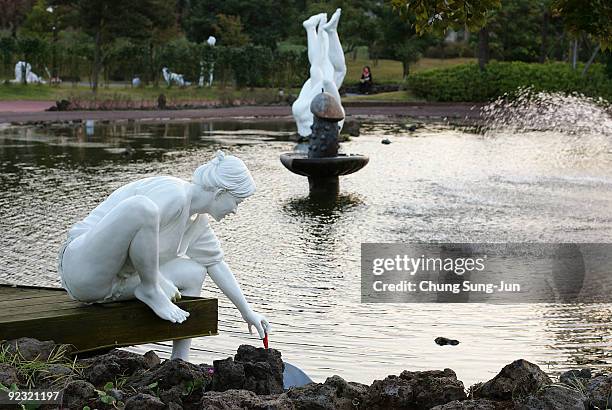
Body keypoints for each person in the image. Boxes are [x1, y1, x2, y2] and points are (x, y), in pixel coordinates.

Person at [58, 150, 270, 361]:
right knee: (141, 208)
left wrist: (247, 312)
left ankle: (179, 361)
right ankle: (150, 289)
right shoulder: (174, 192)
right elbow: (135, 229)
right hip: (82, 269)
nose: (234, 211)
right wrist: (155, 281)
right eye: (237, 202)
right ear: (220, 193)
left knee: (195, 271)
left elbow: (216, 263)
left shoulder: (197, 222)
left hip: (113, 287)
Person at [292, 9, 346, 137]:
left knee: (321, 67)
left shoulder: (315, 86)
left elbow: (318, 64)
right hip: (308, 114)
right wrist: (322, 31)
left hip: (303, 112)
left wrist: (321, 32)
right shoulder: (334, 115)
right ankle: (322, 30)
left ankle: (316, 29)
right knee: (326, 71)